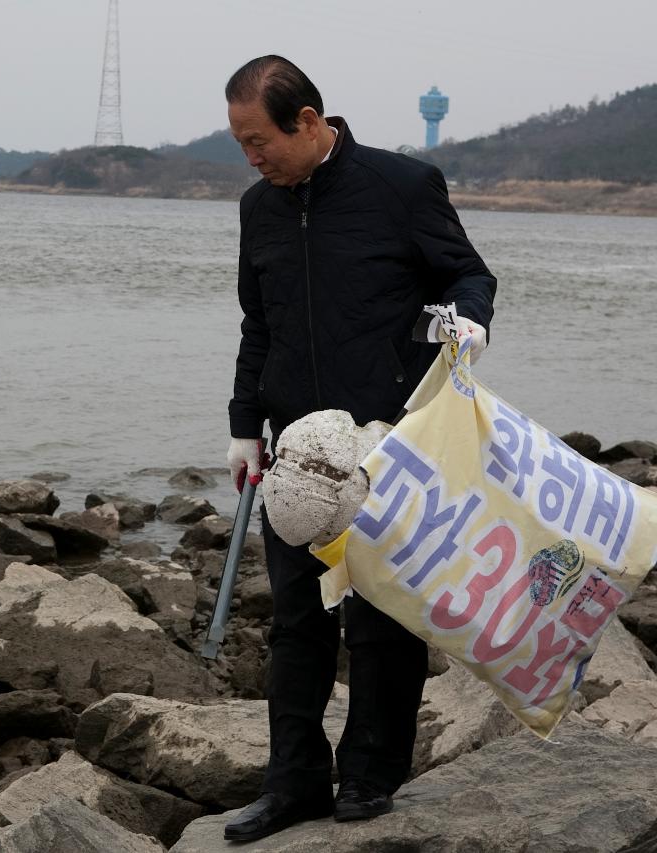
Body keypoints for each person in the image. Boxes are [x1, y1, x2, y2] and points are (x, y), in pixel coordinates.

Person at [221, 55, 496, 843]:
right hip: (293, 455)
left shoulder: (403, 187)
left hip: (390, 449)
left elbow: (468, 275)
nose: (252, 157)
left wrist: (468, 321)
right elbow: (258, 324)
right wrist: (246, 426)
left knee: (381, 621)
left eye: (258, 139)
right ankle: (293, 784)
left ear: (309, 121)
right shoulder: (257, 208)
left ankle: (371, 776)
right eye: (240, 143)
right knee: (296, 621)